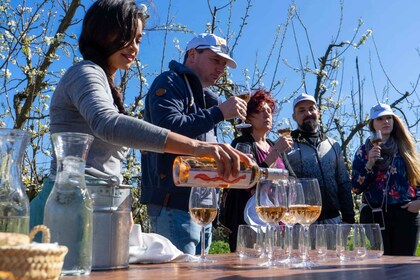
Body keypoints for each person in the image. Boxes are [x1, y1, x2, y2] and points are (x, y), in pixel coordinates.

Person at [29, 0, 251, 231]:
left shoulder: (107, 83)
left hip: (97, 205)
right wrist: (198, 147)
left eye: (138, 39)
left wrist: (121, 204)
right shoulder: (84, 72)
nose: (134, 47)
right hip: (65, 209)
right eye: (126, 35)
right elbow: (108, 124)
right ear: (101, 31)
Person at [140, 33, 248, 255]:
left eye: (224, 64)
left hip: (204, 206)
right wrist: (218, 113)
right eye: (215, 60)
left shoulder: (207, 98)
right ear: (192, 54)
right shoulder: (170, 81)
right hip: (174, 205)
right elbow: (166, 128)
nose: (221, 68)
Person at [222, 89, 296, 252]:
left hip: (277, 219)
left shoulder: (271, 143)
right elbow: (247, 180)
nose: (267, 115)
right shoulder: (242, 143)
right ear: (248, 117)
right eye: (260, 111)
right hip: (250, 222)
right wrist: (275, 152)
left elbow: (292, 179)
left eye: (269, 111)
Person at [351, 103, 420, 256]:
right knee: (378, 265)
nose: (386, 122)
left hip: (405, 212)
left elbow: (418, 178)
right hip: (374, 214)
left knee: (405, 265)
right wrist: (369, 164)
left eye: (389, 117)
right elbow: (355, 188)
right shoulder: (363, 151)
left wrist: (418, 203)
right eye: (380, 119)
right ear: (372, 125)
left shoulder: (406, 148)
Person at [287, 93, 355, 224]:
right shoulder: (286, 145)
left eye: (311, 109)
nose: (308, 113)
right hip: (299, 223)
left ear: (318, 113)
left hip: (333, 221)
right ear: (294, 117)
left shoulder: (333, 145)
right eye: (301, 110)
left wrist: (349, 218)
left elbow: (343, 182)